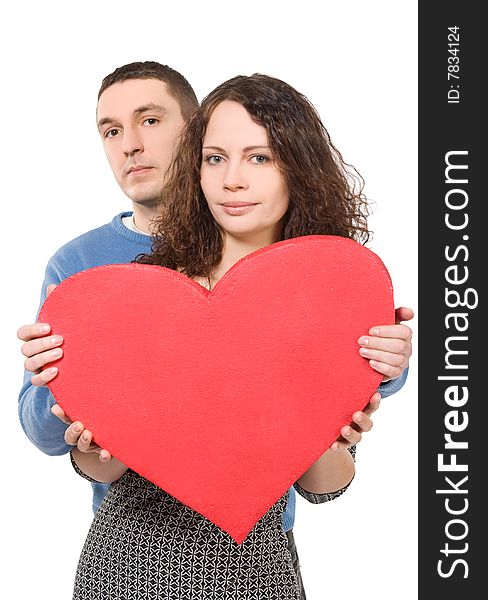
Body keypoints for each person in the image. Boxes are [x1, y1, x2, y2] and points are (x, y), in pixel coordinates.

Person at [17, 63, 412, 598]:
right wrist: (85, 415)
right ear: (195, 171)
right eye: (215, 159)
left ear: (297, 169)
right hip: (129, 566)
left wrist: (331, 423)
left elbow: (325, 484)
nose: (232, 180)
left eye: (260, 157)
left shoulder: (326, 302)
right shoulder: (147, 288)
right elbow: (102, 470)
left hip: (261, 569)